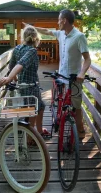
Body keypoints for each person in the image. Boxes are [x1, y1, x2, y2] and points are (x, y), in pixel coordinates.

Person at [23, 9, 91, 138]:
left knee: (76, 106)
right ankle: (59, 116)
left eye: (59, 19)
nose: (57, 22)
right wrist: (31, 27)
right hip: (61, 75)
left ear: (64, 20)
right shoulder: (60, 34)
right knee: (62, 100)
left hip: (74, 78)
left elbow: (87, 59)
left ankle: (80, 129)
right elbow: (47, 31)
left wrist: (82, 73)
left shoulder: (79, 37)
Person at [0, 25, 50, 138]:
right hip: (31, 87)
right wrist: (10, 78)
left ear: (24, 37)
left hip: (20, 87)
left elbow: (11, 66)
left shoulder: (17, 49)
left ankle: (39, 131)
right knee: (33, 111)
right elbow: (21, 64)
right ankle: (31, 137)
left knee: (40, 107)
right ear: (36, 38)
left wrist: (15, 79)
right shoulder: (32, 51)